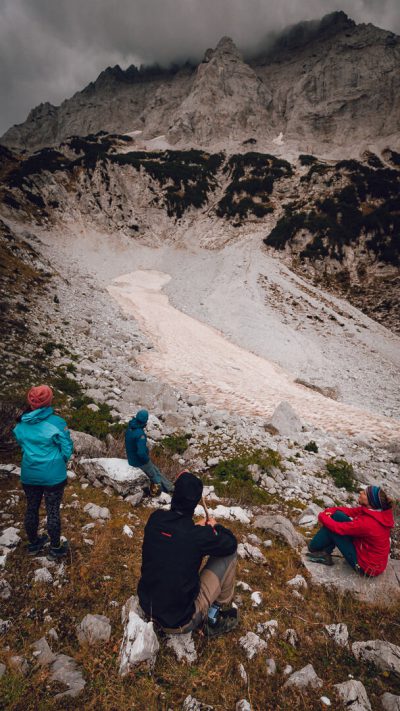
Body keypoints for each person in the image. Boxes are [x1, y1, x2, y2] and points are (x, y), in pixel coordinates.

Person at [138, 471, 238, 637]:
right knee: (229, 555)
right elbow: (230, 543)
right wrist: (215, 526)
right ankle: (213, 617)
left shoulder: (155, 519)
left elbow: (178, 534)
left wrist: (198, 529)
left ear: (174, 495)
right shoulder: (198, 536)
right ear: (195, 503)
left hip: (147, 606)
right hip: (179, 621)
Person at [13, 385, 73, 560]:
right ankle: (55, 548)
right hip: (53, 475)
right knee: (52, 511)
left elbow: (21, 442)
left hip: (29, 473)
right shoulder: (57, 422)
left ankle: (34, 543)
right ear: (48, 401)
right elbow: (67, 447)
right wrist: (60, 460)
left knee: (31, 508)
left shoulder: (21, 422)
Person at [307, 485, 394, 576]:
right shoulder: (374, 511)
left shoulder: (368, 523)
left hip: (366, 567)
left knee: (333, 529)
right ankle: (324, 552)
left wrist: (322, 516)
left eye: (364, 493)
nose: (360, 492)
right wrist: (330, 511)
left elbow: (338, 528)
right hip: (371, 558)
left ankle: (316, 549)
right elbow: (349, 511)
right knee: (337, 516)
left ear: (370, 501)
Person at [125, 409, 174, 496]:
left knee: (156, 470)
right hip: (139, 461)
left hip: (130, 458)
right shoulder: (140, 434)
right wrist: (147, 459)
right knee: (155, 476)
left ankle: (170, 487)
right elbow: (141, 453)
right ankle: (161, 493)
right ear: (145, 421)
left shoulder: (130, 427)